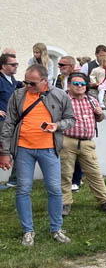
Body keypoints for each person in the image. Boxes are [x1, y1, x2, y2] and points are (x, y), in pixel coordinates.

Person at [0, 64, 75, 246]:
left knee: (55, 190)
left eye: (32, 83)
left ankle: (56, 229)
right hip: (23, 149)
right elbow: (9, 123)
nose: (28, 86)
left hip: (49, 149)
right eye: (25, 82)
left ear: (44, 81)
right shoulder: (18, 95)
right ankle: (28, 231)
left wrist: (58, 126)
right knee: (23, 189)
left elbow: (71, 119)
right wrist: (4, 151)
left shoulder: (59, 95)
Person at [60, 72, 106, 216]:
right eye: (76, 84)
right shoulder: (63, 100)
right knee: (65, 174)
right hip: (67, 141)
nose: (80, 86)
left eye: (83, 84)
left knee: (95, 173)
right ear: (69, 85)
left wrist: (99, 114)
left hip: (87, 143)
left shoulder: (91, 100)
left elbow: (99, 118)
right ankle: (64, 203)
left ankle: (105, 200)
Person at [0, 52, 23, 189]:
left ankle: (14, 180)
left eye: (17, 64)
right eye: (13, 64)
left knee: (18, 149)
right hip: (2, 121)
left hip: (13, 120)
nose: (16, 67)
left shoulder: (13, 81)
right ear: (3, 66)